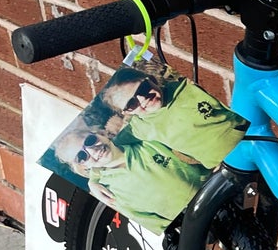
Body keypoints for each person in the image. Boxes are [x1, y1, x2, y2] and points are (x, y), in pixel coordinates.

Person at [47, 117, 200, 234]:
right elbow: (148, 219)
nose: (93, 150)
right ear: (82, 166)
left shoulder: (142, 142)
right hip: (193, 221)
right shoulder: (111, 192)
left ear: (100, 134)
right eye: (82, 156)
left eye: (90, 140)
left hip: (208, 189)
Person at [97, 61, 247, 169]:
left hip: (247, 140)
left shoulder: (187, 88)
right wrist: (94, 179)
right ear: (126, 112)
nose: (142, 99)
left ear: (152, 80)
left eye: (143, 88)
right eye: (131, 103)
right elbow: (109, 147)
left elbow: (238, 107)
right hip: (224, 166)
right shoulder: (139, 128)